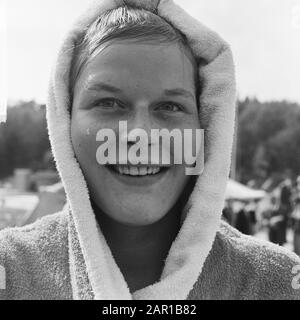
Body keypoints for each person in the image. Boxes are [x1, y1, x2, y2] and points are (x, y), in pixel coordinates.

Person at [1, 0, 300, 300]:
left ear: (207, 130)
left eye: (170, 107)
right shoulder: (9, 272)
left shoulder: (280, 283)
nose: (140, 135)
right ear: (64, 121)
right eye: (108, 103)